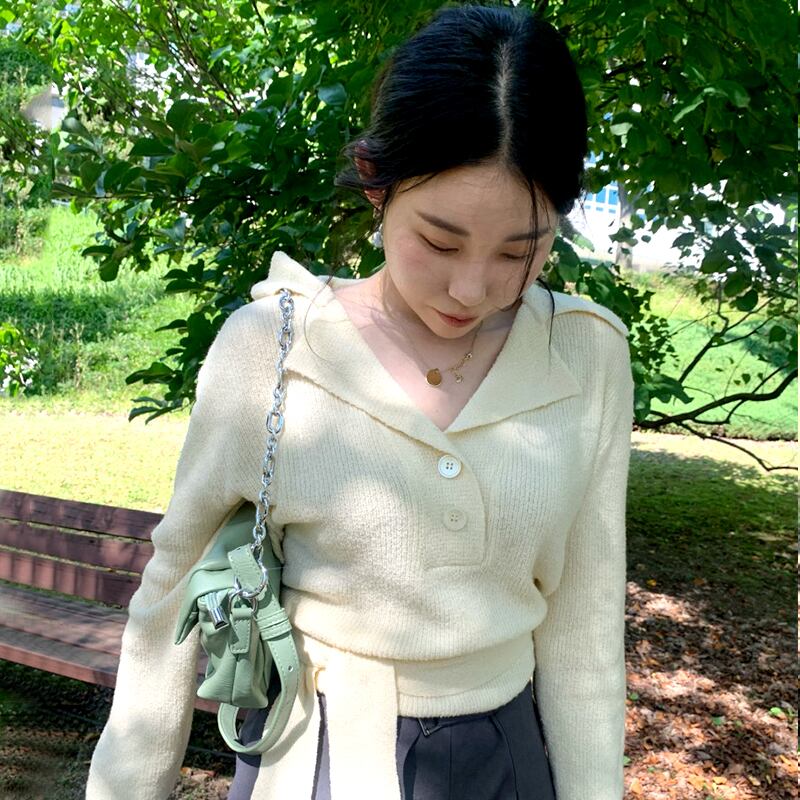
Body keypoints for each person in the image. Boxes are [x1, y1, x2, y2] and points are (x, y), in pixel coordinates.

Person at [86, 4, 633, 800]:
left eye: (522, 251)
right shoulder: (270, 346)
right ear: (378, 185)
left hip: (508, 762)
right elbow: (173, 587)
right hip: (314, 757)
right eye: (439, 241)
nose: (471, 287)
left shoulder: (586, 353)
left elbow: (586, 623)